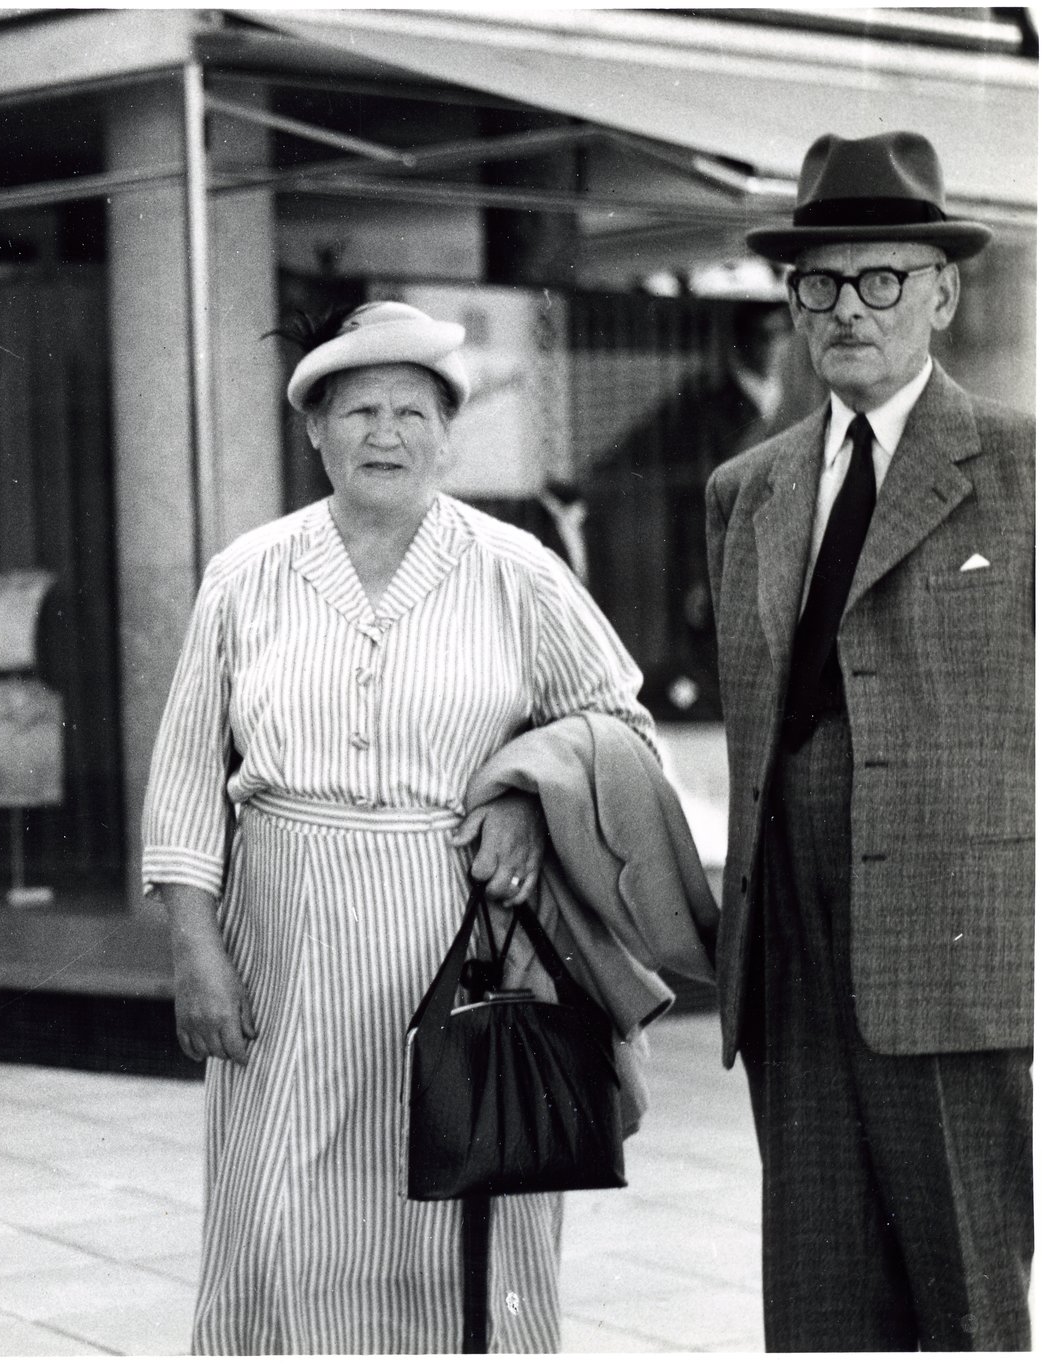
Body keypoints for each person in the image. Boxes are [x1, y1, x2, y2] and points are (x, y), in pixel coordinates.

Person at [143, 301, 654, 1352]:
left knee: (464, 1218)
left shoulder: (518, 571)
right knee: (285, 1217)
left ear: (449, 434)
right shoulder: (248, 575)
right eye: (361, 411)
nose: (388, 434)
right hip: (287, 946)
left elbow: (619, 725)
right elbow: (190, 772)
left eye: (414, 412)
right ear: (316, 433)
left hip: (461, 938)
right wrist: (195, 949)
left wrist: (520, 788)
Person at [707, 130, 1033, 1350]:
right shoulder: (748, 490)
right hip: (788, 941)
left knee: (967, 1297)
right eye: (821, 283)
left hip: (951, 943)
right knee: (819, 1301)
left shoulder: (1022, 467)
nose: (849, 308)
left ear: (942, 291)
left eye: (881, 278)